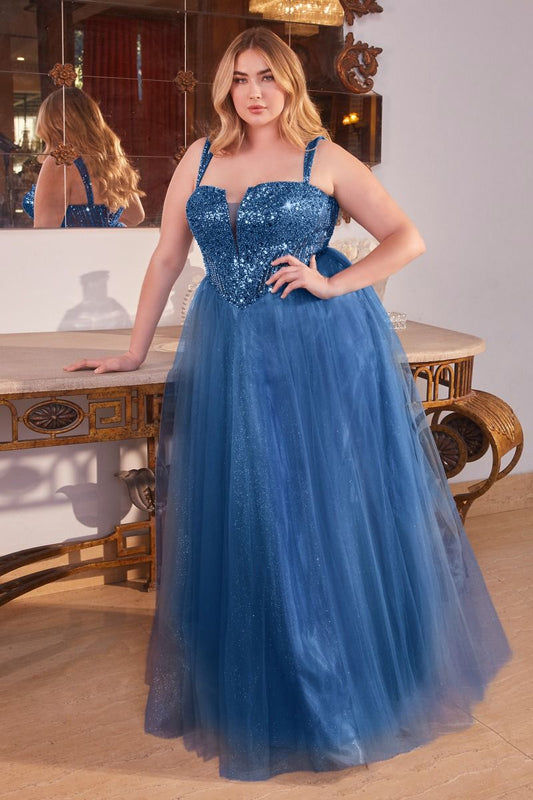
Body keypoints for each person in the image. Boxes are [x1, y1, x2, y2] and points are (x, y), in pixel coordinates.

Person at [65, 28, 511, 781]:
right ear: (225, 87)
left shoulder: (323, 158)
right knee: (248, 507)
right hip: (228, 349)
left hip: (314, 350)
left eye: (267, 76)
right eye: (240, 78)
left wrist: (332, 283)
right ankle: (260, 680)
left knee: (315, 508)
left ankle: (336, 685)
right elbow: (167, 256)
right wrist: (134, 352)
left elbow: (405, 238)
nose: (254, 92)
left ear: (289, 83)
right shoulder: (199, 157)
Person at [23, 87, 145, 228]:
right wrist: (104, 228)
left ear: (53, 124)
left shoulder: (60, 162)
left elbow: (44, 230)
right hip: (106, 243)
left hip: (71, 243)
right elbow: (136, 216)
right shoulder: (109, 161)